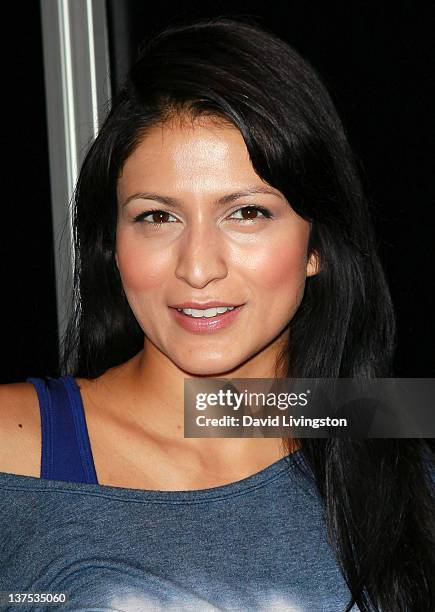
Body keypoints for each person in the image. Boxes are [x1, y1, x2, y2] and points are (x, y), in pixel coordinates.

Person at [0, 17, 433, 612]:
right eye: (158, 217)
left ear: (318, 246)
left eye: (247, 213)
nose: (198, 268)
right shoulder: (15, 441)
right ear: (112, 243)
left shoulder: (391, 439)